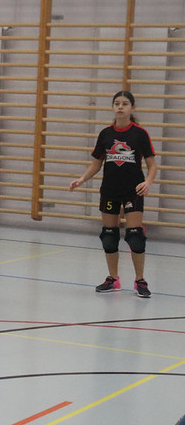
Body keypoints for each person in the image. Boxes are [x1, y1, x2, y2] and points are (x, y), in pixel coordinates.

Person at [69, 90, 157, 298]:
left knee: (135, 237)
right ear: (112, 107)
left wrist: (148, 182)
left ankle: (140, 280)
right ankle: (113, 279)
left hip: (133, 191)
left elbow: (152, 165)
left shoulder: (140, 134)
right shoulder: (106, 134)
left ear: (132, 108)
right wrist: (82, 179)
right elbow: (97, 163)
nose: (120, 107)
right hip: (110, 190)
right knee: (109, 237)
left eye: (125, 103)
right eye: (117, 103)